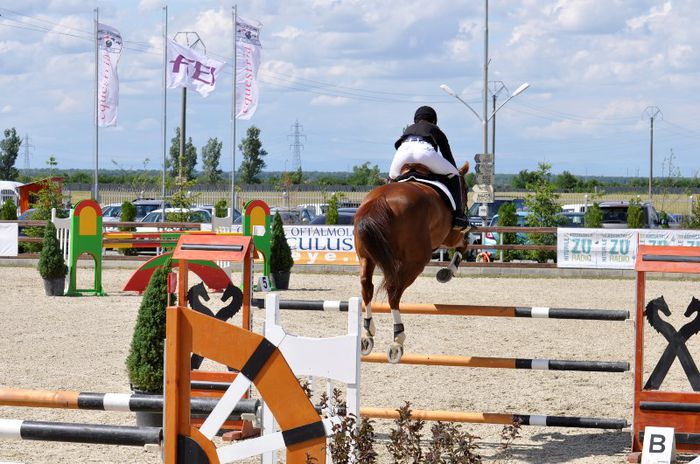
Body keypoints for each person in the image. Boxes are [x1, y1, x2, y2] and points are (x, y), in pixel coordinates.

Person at [390, 105, 469, 228]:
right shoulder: (434, 128)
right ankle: (458, 215)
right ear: (433, 120)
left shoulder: (408, 129)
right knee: (455, 174)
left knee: (392, 178)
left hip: (402, 154)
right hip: (424, 152)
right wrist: (452, 169)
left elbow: (398, 146)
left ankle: (389, 212)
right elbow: (447, 155)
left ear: (416, 120)